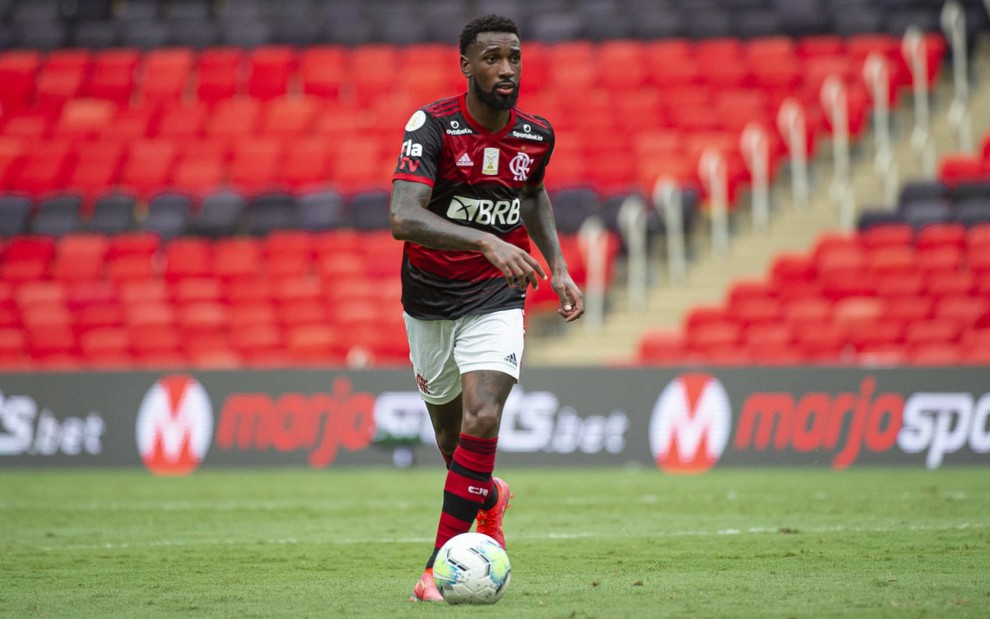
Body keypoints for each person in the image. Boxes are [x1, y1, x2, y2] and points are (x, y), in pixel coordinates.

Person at [388, 13, 585, 603]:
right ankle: (490, 496)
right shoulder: (433, 128)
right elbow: (403, 215)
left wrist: (560, 266)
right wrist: (484, 239)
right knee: (456, 453)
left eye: (514, 58)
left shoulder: (535, 135)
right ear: (467, 65)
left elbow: (533, 195)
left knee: (484, 417)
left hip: (497, 297)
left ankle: (435, 570)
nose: (506, 69)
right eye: (493, 58)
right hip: (428, 301)